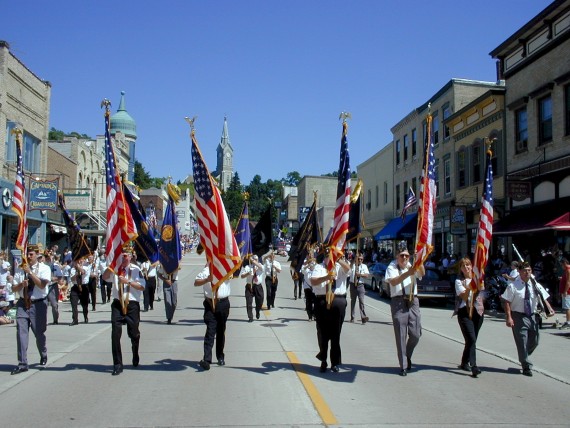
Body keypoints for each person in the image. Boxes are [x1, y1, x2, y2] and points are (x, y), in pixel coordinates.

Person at [101, 245, 145, 376]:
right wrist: (112, 265)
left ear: (131, 257)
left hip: (132, 304)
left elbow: (142, 286)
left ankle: (135, 352)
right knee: (115, 334)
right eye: (122, 255)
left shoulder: (136, 270)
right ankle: (117, 364)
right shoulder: (115, 269)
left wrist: (128, 282)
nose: (124, 257)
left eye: (126, 255)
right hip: (117, 304)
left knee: (134, 333)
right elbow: (104, 277)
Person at [501, 261, 551, 376]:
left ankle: (524, 355)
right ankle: (526, 365)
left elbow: (543, 297)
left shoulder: (535, 284)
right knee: (522, 341)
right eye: (524, 271)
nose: (527, 273)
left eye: (529, 270)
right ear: (519, 272)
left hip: (532, 315)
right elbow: (507, 302)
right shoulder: (513, 286)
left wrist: (549, 308)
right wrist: (509, 317)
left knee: (535, 340)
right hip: (518, 316)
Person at [384, 241, 425, 376]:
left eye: (407, 256)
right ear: (397, 256)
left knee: (416, 334)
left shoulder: (411, 265)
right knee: (401, 334)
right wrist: (409, 273)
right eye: (402, 256)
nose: (405, 258)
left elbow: (422, 273)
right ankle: (403, 365)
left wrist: (419, 260)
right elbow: (394, 281)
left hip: (413, 301)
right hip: (398, 302)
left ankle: (407, 355)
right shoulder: (392, 267)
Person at [10, 244, 52, 375]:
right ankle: (22, 363)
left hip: (38, 304)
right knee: (21, 334)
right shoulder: (20, 269)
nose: (28, 256)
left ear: (37, 255)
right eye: (27, 254)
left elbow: (42, 284)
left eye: (31, 254)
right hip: (23, 303)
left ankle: (43, 353)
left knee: (39, 333)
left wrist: (30, 273)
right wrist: (21, 284)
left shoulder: (44, 268)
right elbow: (13, 289)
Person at [307, 251, 350, 373]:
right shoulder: (319, 267)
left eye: (331, 255)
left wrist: (339, 259)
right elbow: (313, 281)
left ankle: (335, 362)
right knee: (322, 332)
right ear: (324, 257)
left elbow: (348, 269)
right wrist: (327, 277)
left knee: (336, 334)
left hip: (338, 300)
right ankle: (323, 359)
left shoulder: (340, 267)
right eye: (327, 256)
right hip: (322, 301)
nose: (329, 258)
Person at [194, 264, 231, 370]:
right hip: (210, 304)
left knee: (221, 331)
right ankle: (206, 359)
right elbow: (196, 282)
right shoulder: (206, 270)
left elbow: (233, 273)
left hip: (223, 303)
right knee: (210, 331)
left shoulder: (226, 268)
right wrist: (207, 279)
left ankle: (220, 356)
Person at [454, 257, 485, 378]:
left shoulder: (477, 278)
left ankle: (464, 362)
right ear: (460, 269)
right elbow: (464, 296)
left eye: (468, 265)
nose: (466, 268)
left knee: (472, 340)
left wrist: (477, 280)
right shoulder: (459, 281)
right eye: (463, 266)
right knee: (471, 338)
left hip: (478, 311)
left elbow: (483, 291)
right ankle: (474, 366)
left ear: (472, 266)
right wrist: (469, 285)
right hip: (465, 312)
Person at [240, 256, 263, 322]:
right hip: (249, 286)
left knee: (260, 301)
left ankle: (257, 310)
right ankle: (250, 317)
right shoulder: (247, 267)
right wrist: (248, 273)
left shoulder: (260, 266)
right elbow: (242, 276)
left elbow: (261, 268)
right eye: (253, 259)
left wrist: (254, 263)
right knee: (249, 303)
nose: (254, 261)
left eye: (256, 260)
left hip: (257, 286)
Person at [349, 253, 370, 324]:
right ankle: (352, 317)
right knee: (353, 301)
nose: (360, 260)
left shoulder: (364, 266)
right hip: (353, 285)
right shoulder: (353, 265)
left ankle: (363, 317)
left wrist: (360, 274)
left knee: (361, 301)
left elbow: (367, 275)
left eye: (361, 259)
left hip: (360, 285)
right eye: (359, 259)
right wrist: (354, 259)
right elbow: (349, 268)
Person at [301, 256, 316, 321]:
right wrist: (308, 265)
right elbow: (303, 270)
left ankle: (315, 315)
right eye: (311, 263)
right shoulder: (306, 270)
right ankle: (310, 316)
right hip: (307, 288)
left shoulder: (316, 270)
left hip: (315, 288)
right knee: (308, 302)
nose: (312, 264)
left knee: (315, 302)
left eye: (313, 263)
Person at [558, 254, 570, 329]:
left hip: (568, 292)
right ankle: (567, 321)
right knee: (567, 307)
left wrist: (565, 291)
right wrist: (562, 278)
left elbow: (568, 282)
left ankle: (568, 322)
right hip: (566, 291)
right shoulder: (567, 270)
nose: (561, 266)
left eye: (561, 265)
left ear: (564, 263)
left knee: (567, 307)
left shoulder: (568, 270)